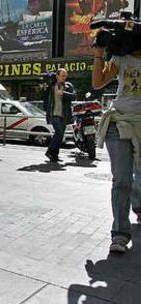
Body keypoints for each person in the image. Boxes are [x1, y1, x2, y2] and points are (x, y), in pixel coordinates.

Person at [92, 45, 141, 253]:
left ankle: (138, 206)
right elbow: (97, 83)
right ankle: (120, 233)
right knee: (122, 180)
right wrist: (98, 54)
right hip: (119, 122)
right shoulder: (121, 57)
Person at [42, 68, 77, 162]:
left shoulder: (68, 85)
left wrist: (64, 93)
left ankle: (54, 155)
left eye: (65, 76)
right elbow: (44, 98)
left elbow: (74, 96)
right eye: (62, 76)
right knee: (59, 132)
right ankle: (49, 151)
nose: (64, 78)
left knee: (60, 136)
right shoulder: (51, 86)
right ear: (57, 76)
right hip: (54, 114)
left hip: (64, 115)